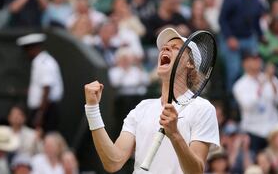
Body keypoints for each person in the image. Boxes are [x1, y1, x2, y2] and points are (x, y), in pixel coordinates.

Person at [83, 27, 219, 173]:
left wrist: (174, 134)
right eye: (164, 47)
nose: (165, 48)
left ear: (190, 64)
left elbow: (196, 171)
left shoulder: (204, 109)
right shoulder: (142, 108)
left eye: (175, 48)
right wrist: (92, 109)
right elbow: (113, 162)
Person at [218, 0, 264, 92]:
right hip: (232, 38)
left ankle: (253, 95)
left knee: (255, 67)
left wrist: (261, 35)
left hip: (248, 37)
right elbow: (222, 19)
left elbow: (256, 20)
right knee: (235, 70)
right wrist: (229, 37)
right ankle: (233, 104)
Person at [233, 52, 278, 155]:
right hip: (253, 132)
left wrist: (272, 82)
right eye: (252, 59)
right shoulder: (239, 85)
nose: (256, 63)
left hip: (272, 131)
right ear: (244, 63)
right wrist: (260, 87)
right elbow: (248, 105)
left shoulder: (271, 79)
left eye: (258, 59)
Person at [16, 33, 64, 132]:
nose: (26, 53)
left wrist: (40, 115)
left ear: (34, 48)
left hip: (46, 110)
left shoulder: (44, 63)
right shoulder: (39, 61)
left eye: (27, 49)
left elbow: (47, 88)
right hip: (43, 108)